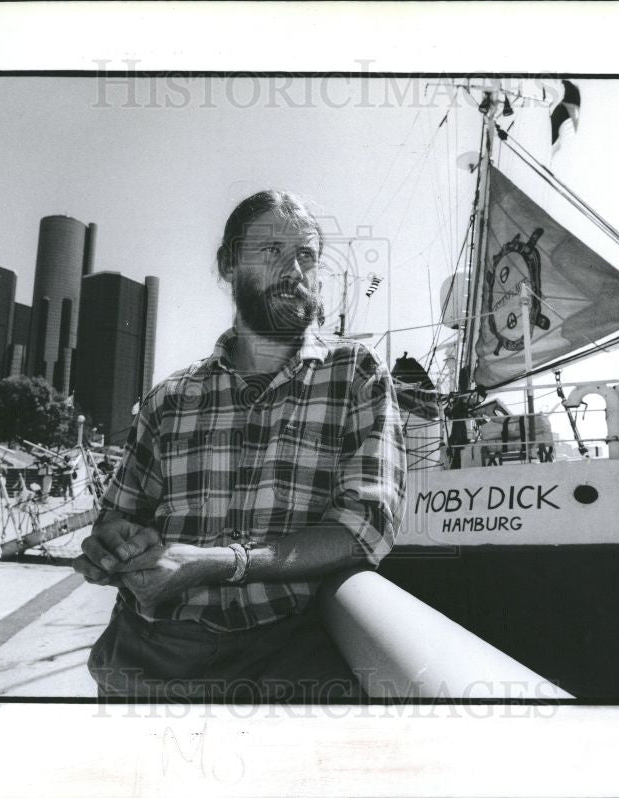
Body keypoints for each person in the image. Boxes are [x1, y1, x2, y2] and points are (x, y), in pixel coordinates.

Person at [74, 190, 407, 701]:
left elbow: (365, 529)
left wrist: (217, 563)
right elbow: (117, 516)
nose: (295, 269)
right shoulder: (171, 398)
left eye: (307, 254)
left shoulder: (355, 376)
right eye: (272, 250)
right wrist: (114, 548)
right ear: (228, 265)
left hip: (282, 664)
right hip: (145, 661)